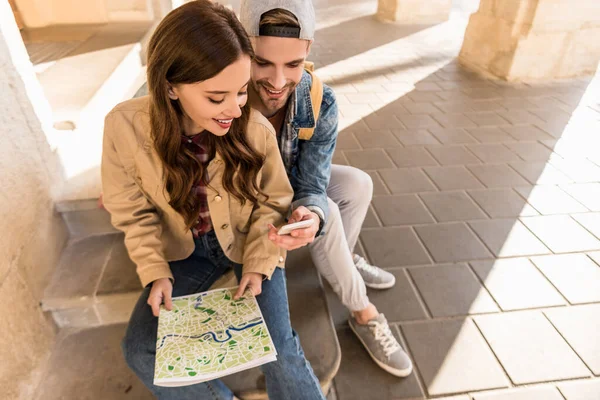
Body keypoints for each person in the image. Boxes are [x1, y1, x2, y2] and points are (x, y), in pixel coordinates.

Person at [101, 2, 326, 399]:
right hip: (185, 254)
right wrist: (154, 269)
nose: (235, 108)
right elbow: (132, 213)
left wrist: (258, 262)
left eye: (241, 91)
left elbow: (274, 202)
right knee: (140, 350)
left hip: (249, 243)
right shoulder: (124, 127)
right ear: (170, 86)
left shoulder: (253, 129)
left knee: (280, 350)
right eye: (216, 96)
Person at [239, 0, 413, 377]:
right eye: (262, 62)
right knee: (330, 214)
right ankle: (363, 312)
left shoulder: (316, 99)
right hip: (252, 204)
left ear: (308, 51)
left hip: (291, 184)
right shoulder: (228, 96)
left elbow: (313, 182)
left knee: (356, 184)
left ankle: (342, 261)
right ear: (242, 49)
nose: (278, 81)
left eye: (293, 64)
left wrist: (309, 210)